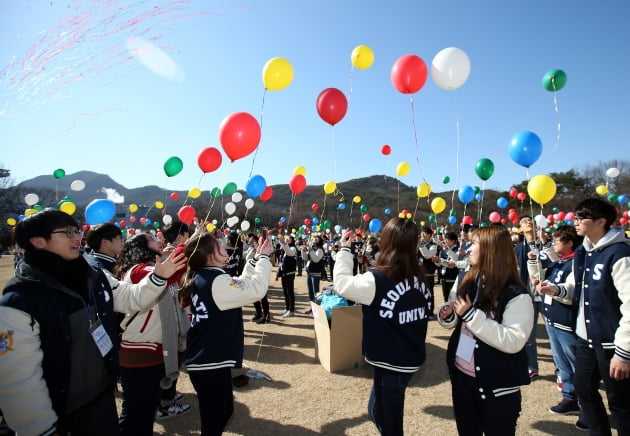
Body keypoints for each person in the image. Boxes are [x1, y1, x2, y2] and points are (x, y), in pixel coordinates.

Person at [0, 210, 186, 436]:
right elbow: (18, 380)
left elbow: (130, 298)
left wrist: (159, 276)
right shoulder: (20, 300)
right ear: (38, 241)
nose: (77, 237)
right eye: (66, 232)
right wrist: (40, 429)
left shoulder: (94, 276)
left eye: (76, 230)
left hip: (100, 394)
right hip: (59, 413)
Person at [539, 198, 630, 435]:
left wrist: (624, 352)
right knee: (583, 388)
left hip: (613, 343)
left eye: (581, 218)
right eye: (575, 217)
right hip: (586, 340)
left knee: (620, 402)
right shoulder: (583, 252)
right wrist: (555, 290)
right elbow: (577, 290)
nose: (575, 222)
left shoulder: (619, 253)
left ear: (601, 221)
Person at [334, 218, 432, 436]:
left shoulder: (377, 279)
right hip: (404, 358)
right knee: (376, 411)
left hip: (392, 362)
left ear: (387, 242)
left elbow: (341, 285)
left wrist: (344, 249)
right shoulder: (420, 275)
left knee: (390, 424)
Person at [438, 226, 534, 436]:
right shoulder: (469, 278)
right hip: (463, 378)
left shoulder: (516, 294)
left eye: (474, 244)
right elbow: (459, 320)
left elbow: (513, 340)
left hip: (496, 387)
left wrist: (471, 316)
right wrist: (450, 315)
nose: (468, 249)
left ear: (492, 251)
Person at [179, 231, 273, 436]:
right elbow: (256, 290)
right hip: (208, 360)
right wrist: (265, 258)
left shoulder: (209, 276)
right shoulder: (216, 280)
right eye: (218, 244)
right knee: (215, 419)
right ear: (210, 254)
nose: (224, 245)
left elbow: (241, 285)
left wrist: (255, 260)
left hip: (209, 359)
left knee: (223, 412)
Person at [115, 232, 191, 435]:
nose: (159, 241)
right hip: (140, 348)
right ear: (142, 247)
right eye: (152, 239)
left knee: (146, 408)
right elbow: (165, 275)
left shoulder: (149, 266)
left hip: (152, 345)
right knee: (136, 411)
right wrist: (184, 246)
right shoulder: (139, 270)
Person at [527, 225, 585, 424]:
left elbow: (571, 290)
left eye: (557, 241)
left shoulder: (576, 263)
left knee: (577, 365)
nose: (552, 244)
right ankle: (569, 398)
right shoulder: (558, 263)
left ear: (569, 243)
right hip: (552, 322)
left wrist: (554, 290)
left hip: (567, 325)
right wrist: (533, 261)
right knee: (562, 365)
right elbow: (539, 276)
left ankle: (587, 408)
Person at [156, 220, 193, 420]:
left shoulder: (167, 253)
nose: (188, 240)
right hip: (170, 317)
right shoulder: (170, 256)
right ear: (180, 237)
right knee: (170, 361)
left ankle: (167, 395)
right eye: (187, 236)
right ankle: (166, 403)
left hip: (175, 313)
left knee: (174, 359)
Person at [514, 215, 550, 380]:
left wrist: (546, 244)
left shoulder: (545, 244)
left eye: (531, 221)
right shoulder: (517, 249)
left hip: (548, 294)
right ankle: (531, 367)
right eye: (524, 221)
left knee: (554, 334)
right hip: (527, 295)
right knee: (529, 335)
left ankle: (563, 372)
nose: (529, 222)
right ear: (520, 228)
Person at [247, 233, 270, 323]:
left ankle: (266, 316)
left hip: (260, 277)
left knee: (263, 297)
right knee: (254, 295)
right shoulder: (253, 250)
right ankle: (259, 313)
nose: (250, 243)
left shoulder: (263, 252)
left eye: (252, 242)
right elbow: (247, 258)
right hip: (252, 275)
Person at [418, 226, 438, 319]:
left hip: (429, 273)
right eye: (422, 233)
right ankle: (421, 311)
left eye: (424, 233)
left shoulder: (433, 245)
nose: (422, 235)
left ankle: (430, 312)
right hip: (419, 273)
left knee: (429, 293)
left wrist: (421, 245)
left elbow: (427, 255)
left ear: (430, 235)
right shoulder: (419, 244)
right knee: (419, 293)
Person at [276, 234, 297, 317]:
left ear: (292, 241)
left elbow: (290, 253)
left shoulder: (293, 248)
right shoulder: (285, 249)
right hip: (284, 273)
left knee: (290, 292)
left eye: (289, 239)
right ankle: (287, 308)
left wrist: (284, 243)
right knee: (285, 291)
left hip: (290, 273)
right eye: (287, 238)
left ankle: (291, 310)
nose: (287, 239)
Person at [304, 235, 325, 314]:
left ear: (320, 240)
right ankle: (312, 306)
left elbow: (316, 259)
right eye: (314, 238)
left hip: (316, 273)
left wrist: (310, 250)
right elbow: (305, 258)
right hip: (309, 272)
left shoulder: (320, 250)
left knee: (316, 291)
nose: (315, 239)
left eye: (317, 238)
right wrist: (304, 251)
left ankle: (317, 307)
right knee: (310, 291)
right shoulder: (312, 249)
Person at [437, 232, 460, 302]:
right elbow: (439, 264)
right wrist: (436, 260)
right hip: (444, 278)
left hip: (453, 278)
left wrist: (447, 251)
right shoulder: (442, 250)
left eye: (447, 240)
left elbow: (455, 260)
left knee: (454, 300)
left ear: (453, 241)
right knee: (446, 298)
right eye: (445, 239)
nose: (445, 241)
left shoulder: (458, 250)